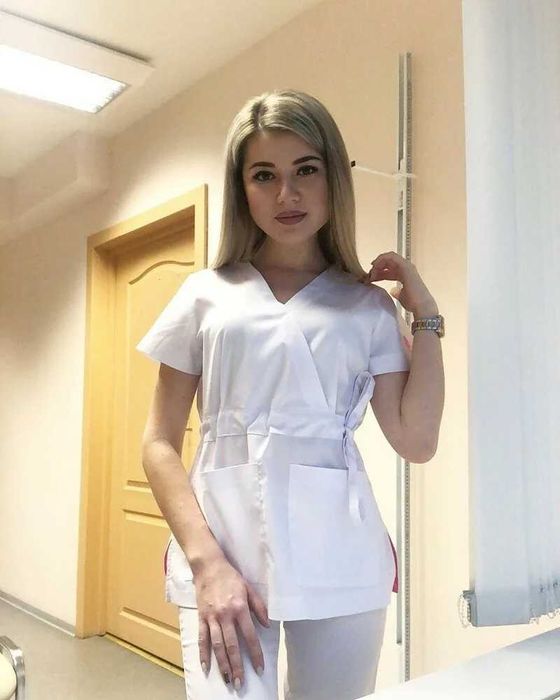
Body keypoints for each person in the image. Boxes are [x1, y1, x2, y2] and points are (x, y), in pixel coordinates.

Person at [136, 88, 443, 699]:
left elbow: (416, 441)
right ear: (241, 188)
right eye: (264, 175)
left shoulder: (366, 307)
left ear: (334, 177)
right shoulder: (205, 296)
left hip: (341, 555)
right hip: (222, 553)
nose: (287, 195)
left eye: (306, 170)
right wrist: (206, 563)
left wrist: (426, 317)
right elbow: (159, 443)